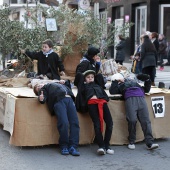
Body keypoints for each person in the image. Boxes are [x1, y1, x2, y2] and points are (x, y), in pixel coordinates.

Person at [109, 73, 159, 150]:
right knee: (132, 120)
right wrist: (115, 81)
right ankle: (132, 141)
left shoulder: (136, 84)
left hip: (140, 99)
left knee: (145, 121)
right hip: (131, 99)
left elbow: (146, 89)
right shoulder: (120, 85)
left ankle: (150, 143)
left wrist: (147, 80)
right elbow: (112, 91)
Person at [33, 80, 80, 156]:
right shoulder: (44, 89)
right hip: (59, 101)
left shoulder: (54, 83)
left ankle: (73, 146)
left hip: (69, 99)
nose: (39, 86)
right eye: (37, 88)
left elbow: (68, 85)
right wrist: (41, 98)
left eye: (39, 85)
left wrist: (65, 81)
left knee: (75, 123)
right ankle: (64, 146)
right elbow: (42, 98)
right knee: (64, 122)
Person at [75, 70, 114, 155]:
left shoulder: (98, 85)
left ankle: (107, 145)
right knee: (97, 125)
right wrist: (83, 76)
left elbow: (99, 76)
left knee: (110, 123)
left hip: (102, 103)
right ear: (85, 79)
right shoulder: (83, 87)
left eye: (92, 77)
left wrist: (95, 71)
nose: (90, 79)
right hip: (92, 105)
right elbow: (78, 76)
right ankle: (101, 146)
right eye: (88, 77)